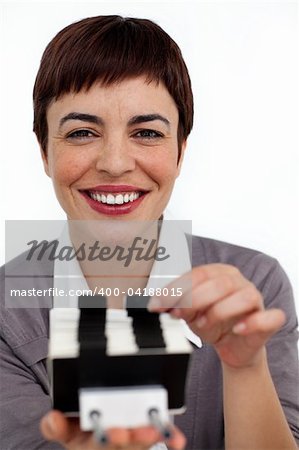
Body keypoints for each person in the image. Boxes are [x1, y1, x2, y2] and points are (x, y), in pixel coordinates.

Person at [0, 14, 298, 450]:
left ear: (180, 152)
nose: (115, 163)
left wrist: (246, 367)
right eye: (82, 132)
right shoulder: (7, 313)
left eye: (147, 132)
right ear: (44, 151)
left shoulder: (255, 284)